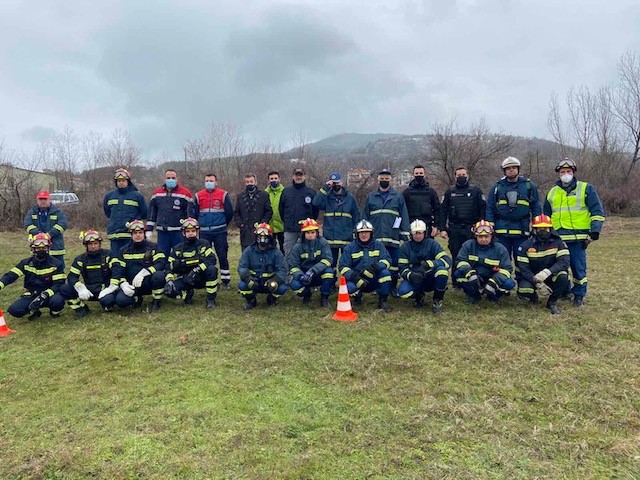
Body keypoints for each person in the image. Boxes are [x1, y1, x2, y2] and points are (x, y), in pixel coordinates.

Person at [543, 158, 605, 306]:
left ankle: (579, 295)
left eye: (568, 171)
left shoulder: (586, 189)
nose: (565, 174)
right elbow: (546, 216)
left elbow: (597, 211)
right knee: (559, 268)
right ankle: (563, 292)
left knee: (578, 269)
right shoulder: (552, 192)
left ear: (573, 173)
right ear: (558, 174)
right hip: (558, 239)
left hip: (579, 238)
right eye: (562, 172)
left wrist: (594, 232)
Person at [486, 157, 541, 263]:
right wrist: (490, 224)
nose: (511, 170)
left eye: (514, 167)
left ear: (518, 169)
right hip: (501, 231)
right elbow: (490, 207)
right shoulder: (497, 187)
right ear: (504, 171)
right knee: (501, 259)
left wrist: (536, 225)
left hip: (522, 230)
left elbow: (536, 207)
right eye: (508, 168)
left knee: (522, 259)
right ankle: (503, 279)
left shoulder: (529, 186)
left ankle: (522, 279)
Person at [0, 233, 66, 320]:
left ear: (48, 248)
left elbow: (58, 284)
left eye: (44, 248)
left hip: (50, 295)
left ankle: (54, 312)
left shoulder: (56, 264)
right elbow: (11, 276)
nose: (41, 250)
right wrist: (1, 284)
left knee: (58, 301)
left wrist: (45, 295)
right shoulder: (26, 263)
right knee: (14, 310)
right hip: (32, 294)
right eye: (38, 248)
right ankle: (34, 310)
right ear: (33, 249)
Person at [363, 169, 410, 292]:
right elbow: (365, 217)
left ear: (391, 180)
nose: (384, 181)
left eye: (386, 179)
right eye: (382, 179)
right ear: (378, 180)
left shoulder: (398, 196)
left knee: (394, 264)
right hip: (376, 238)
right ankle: (378, 287)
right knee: (376, 263)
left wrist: (404, 233)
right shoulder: (371, 197)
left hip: (392, 237)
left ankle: (393, 287)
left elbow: (403, 215)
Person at [439, 166, 486, 286]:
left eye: (463, 175)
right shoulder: (450, 192)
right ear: (455, 177)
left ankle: (474, 280)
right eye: (459, 175)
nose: (461, 177)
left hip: (472, 229)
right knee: (456, 254)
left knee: (472, 255)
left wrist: (480, 227)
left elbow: (483, 209)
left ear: (467, 175)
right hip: (454, 229)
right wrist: (443, 229)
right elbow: (443, 211)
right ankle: (456, 282)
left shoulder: (476, 190)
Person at [516, 215, 570, 314]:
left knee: (563, 276)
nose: (543, 231)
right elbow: (524, 269)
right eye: (540, 228)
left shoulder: (559, 243)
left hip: (551, 275)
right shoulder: (525, 246)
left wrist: (547, 272)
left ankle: (552, 302)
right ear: (534, 230)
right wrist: (537, 282)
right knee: (524, 290)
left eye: (545, 228)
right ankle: (533, 297)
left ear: (550, 229)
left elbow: (564, 262)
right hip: (533, 277)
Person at [108, 219, 167, 312]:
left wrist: (145, 272)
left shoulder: (154, 247)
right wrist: (124, 284)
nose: (138, 235)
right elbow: (119, 270)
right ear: (131, 234)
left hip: (148, 281)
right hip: (131, 284)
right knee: (121, 301)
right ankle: (136, 299)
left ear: (144, 233)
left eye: (140, 232)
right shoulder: (123, 250)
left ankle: (156, 301)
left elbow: (161, 263)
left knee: (159, 275)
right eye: (135, 233)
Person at [454, 220, 515, 304]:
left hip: (493, 277)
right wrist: (470, 273)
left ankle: (492, 296)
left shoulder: (500, 249)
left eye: (486, 236)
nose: (483, 239)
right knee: (458, 274)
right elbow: (460, 261)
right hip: (475, 277)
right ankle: (474, 296)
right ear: (475, 236)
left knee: (509, 283)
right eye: (480, 237)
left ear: (491, 236)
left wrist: (494, 282)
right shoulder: (468, 245)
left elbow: (507, 269)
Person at [338, 220, 393, 312]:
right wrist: (355, 277)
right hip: (357, 280)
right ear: (357, 234)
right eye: (361, 232)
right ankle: (356, 298)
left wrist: (377, 266)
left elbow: (387, 260)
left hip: (373, 279)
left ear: (371, 233)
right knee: (348, 288)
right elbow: (342, 266)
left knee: (386, 274)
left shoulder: (379, 245)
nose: (364, 235)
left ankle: (383, 301)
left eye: (366, 232)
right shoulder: (350, 248)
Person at [59, 230, 116, 318]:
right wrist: (80, 288)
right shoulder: (80, 259)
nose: (93, 246)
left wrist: (110, 288)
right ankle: (81, 309)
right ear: (86, 245)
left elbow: (117, 272)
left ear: (99, 244)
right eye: (90, 244)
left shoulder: (109, 255)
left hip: (105, 290)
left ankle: (108, 306)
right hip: (88, 291)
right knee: (65, 288)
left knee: (108, 301)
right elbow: (72, 277)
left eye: (95, 243)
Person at [397, 220, 451, 313]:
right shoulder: (405, 247)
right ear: (411, 234)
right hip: (415, 277)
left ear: (424, 233)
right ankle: (419, 295)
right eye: (415, 233)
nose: (417, 235)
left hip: (430, 276)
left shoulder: (432, 244)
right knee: (403, 293)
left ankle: (437, 301)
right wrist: (411, 276)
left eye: (420, 233)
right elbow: (402, 268)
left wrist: (428, 264)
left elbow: (447, 261)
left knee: (442, 271)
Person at [164, 218, 219, 309]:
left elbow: (211, 259)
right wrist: (169, 280)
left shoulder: (204, 244)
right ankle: (187, 294)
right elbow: (168, 266)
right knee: (168, 291)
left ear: (197, 232)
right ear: (183, 233)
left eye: (193, 231)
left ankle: (210, 299)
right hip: (186, 278)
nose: (191, 233)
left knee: (212, 269)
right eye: (188, 231)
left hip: (201, 277)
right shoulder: (177, 248)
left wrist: (197, 269)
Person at [312, 172, 361, 267]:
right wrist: (325, 188)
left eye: (337, 183)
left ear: (341, 182)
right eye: (333, 183)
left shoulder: (350, 198)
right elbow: (316, 203)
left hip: (346, 238)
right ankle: (331, 281)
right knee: (330, 265)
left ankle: (347, 281)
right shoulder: (327, 197)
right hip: (330, 238)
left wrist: (356, 230)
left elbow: (356, 215)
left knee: (347, 265)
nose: (336, 185)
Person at [194, 173, 233, 289]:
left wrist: (222, 224)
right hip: (204, 232)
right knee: (204, 257)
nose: (209, 182)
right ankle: (206, 279)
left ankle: (225, 281)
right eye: (207, 180)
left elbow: (229, 212)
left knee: (222, 255)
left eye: (211, 180)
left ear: (216, 182)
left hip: (219, 231)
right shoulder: (198, 195)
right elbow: (194, 213)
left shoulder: (223, 194)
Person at [237, 223, 288, 310]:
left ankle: (272, 299)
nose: (262, 239)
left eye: (265, 237)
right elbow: (242, 267)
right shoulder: (249, 251)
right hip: (254, 282)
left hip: (270, 283)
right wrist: (248, 278)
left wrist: (275, 281)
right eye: (259, 236)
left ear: (270, 238)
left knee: (282, 288)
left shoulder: (276, 252)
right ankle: (251, 300)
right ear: (255, 237)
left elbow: (282, 269)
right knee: (242, 285)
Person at [287, 218, 335, 308]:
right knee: (294, 285)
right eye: (308, 233)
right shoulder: (297, 247)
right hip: (304, 275)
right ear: (303, 234)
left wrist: (313, 271)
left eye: (312, 232)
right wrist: (300, 276)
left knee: (329, 272)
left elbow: (328, 260)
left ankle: (324, 297)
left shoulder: (323, 243)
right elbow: (293, 266)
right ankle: (306, 294)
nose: (310, 235)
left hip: (318, 274)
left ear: (317, 233)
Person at [146, 169, 194, 256]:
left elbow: (189, 214)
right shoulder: (157, 193)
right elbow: (152, 213)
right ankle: (164, 270)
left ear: (177, 179)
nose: (170, 180)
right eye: (168, 178)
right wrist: (149, 230)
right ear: (164, 179)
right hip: (162, 232)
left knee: (179, 256)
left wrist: (189, 231)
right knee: (162, 256)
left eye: (173, 178)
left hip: (178, 232)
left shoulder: (185, 193)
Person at [103, 168, 148, 255]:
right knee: (116, 259)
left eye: (123, 180)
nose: (121, 182)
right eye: (119, 181)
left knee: (131, 258)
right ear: (116, 182)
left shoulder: (137, 195)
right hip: (115, 234)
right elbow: (107, 213)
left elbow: (144, 213)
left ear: (128, 181)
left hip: (131, 235)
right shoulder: (109, 196)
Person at [279, 167, 318, 257]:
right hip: (290, 230)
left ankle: (306, 270)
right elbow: (281, 209)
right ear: (293, 176)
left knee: (307, 253)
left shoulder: (311, 192)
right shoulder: (286, 191)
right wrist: (287, 221)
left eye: (301, 175)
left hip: (306, 230)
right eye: (296, 175)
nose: (298, 177)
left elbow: (315, 211)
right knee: (289, 254)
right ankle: (289, 271)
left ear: (305, 177)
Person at [24, 190, 68, 268]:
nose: (43, 201)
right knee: (38, 269)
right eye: (41, 199)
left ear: (49, 200)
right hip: (37, 246)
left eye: (45, 199)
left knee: (58, 268)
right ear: (37, 200)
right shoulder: (32, 212)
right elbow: (27, 224)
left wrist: (49, 234)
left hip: (55, 248)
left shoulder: (57, 212)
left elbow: (63, 224)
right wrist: (39, 235)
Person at [233, 174, 272, 251]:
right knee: (246, 254)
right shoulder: (240, 196)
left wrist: (262, 224)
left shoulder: (263, 195)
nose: (249, 183)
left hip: (260, 231)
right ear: (245, 183)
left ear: (255, 182)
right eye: (247, 182)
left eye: (251, 181)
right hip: (245, 231)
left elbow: (269, 211)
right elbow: (236, 212)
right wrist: (240, 224)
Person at [402, 165, 441, 237]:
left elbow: (437, 210)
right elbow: (402, 211)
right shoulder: (406, 192)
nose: (419, 175)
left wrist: (436, 226)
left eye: (421, 173)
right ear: (413, 174)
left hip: (427, 227)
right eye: (417, 173)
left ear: (424, 174)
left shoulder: (431, 192)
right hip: (411, 227)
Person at [265, 171, 286, 254]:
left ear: (279, 179)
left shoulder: (285, 192)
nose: (274, 180)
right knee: (270, 248)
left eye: (275, 178)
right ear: (268, 180)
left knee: (283, 248)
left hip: (282, 225)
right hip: (270, 226)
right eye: (271, 179)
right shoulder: (265, 193)